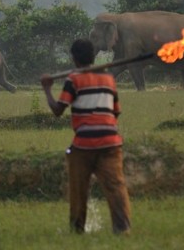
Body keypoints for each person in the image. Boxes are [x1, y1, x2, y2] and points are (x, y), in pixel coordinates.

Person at [40, 38, 131, 234]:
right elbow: (116, 112)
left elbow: (58, 110)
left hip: (83, 145)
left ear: (74, 58)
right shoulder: (109, 79)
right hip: (111, 142)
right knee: (116, 186)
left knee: (78, 189)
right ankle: (122, 229)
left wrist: (47, 88)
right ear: (92, 56)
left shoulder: (73, 79)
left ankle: (77, 229)